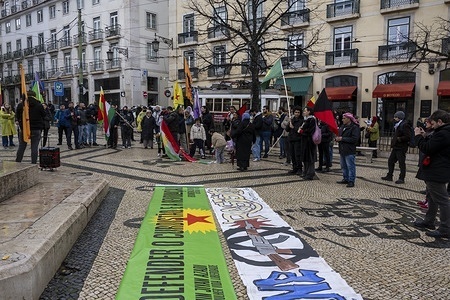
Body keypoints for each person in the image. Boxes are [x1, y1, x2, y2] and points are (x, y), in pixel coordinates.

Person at [413, 110, 450, 239]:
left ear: (440, 121)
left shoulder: (444, 133)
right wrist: (425, 136)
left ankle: (446, 228)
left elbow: (428, 148)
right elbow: (434, 145)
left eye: (433, 123)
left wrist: (418, 137)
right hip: (436, 170)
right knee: (432, 198)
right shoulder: (443, 132)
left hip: (437, 171)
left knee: (442, 200)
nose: (431, 125)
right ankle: (429, 221)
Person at [381, 111, 412, 184]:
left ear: (399, 117)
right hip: (396, 147)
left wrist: (399, 139)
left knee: (401, 163)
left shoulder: (405, 125)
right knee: (391, 161)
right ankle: (389, 175)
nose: (394, 118)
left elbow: (408, 136)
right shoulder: (398, 125)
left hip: (401, 147)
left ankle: (401, 178)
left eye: (396, 117)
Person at [15, 91, 46, 164]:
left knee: (22, 146)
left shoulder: (21, 105)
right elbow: (44, 115)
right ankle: (33, 163)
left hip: (25, 129)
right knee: (34, 147)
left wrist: (22, 125)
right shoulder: (39, 105)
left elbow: (18, 116)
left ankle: (18, 161)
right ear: (34, 96)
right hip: (36, 128)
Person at [335, 112, 360, 188]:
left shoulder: (354, 127)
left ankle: (351, 180)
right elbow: (339, 135)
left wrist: (343, 139)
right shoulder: (342, 126)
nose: (342, 120)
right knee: (343, 166)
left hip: (349, 150)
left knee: (350, 166)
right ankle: (345, 178)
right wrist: (337, 138)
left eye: (344, 118)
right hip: (342, 149)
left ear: (349, 119)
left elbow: (355, 139)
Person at [298, 106, 317, 180]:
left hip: (309, 142)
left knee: (310, 158)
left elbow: (310, 131)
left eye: (305, 111)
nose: (304, 112)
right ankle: (305, 172)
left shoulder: (312, 120)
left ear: (309, 112)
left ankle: (310, 173)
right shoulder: (306, 120)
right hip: (305, 141)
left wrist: (302, 131)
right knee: (305, 158)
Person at [285, 106, 304, 176]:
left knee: (297, 155)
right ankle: (294, 168)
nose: (297, 114)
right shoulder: (292, 119)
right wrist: (289, 123)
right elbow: (287, 129)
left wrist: (294, 127)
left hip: (297, 140)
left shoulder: (301, 120)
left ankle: (299, 168)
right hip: (291, 139)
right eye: (296, 112)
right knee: (292, 155)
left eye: (298, 112)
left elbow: (300, 130)